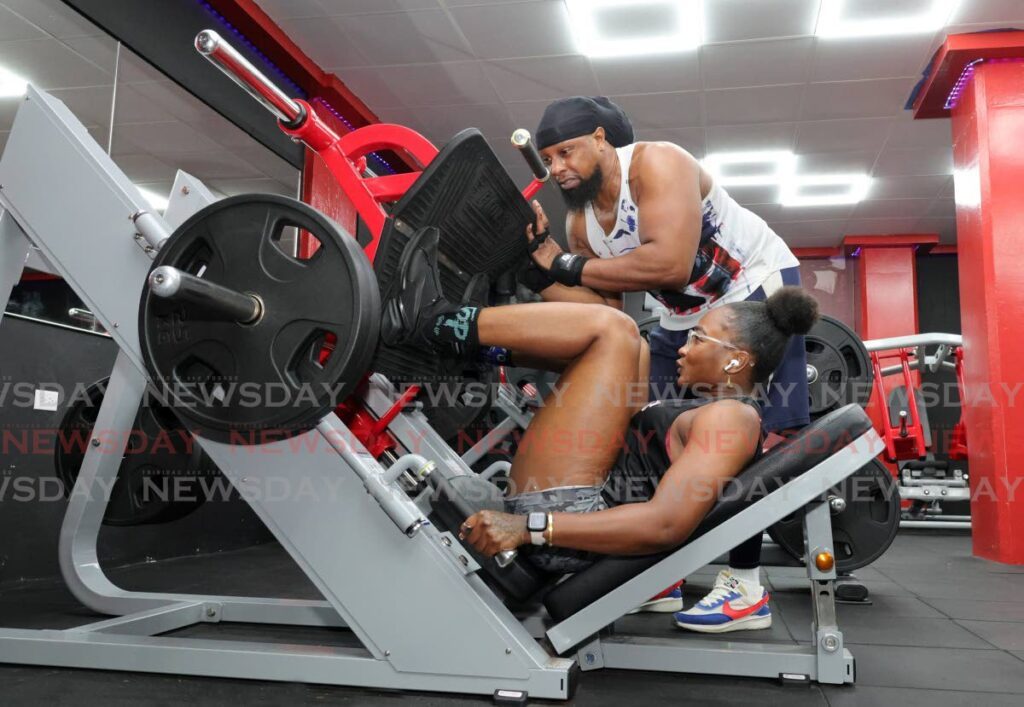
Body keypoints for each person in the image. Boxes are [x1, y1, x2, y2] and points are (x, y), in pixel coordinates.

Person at [382, 228, 820, 633]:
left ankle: (432, 322)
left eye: (699, 339)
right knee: (633, 347)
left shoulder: (734, 419)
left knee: (614, 330)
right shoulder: (714, 408)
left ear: (736, 360)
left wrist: (528, 527)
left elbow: (665, 525)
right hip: (584, 498)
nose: (684, 349)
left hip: (569, 516)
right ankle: (477, 346)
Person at [517, 96, 809, 616]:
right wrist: (538, 270)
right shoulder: (582, 224)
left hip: (752, 287)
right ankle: (660, 573)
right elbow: (605, 317)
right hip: (682, 317)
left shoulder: (657, 162)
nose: (557, 168)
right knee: (642, 425)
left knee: (749, 436)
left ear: (602, 140)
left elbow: (671, 264)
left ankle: (745, 585)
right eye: (549, 159)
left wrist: (563, 264)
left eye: (566, 152)